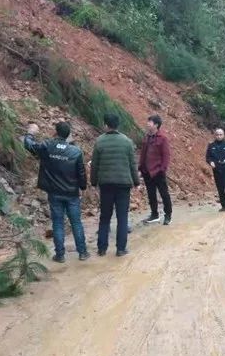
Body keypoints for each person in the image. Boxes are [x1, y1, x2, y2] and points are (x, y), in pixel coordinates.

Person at [22, 121, 88, 263]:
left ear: (55, 132)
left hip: (55, 193)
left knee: (58, 223)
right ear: (68, 135)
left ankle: (60, 255)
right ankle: (82, 252)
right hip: (72, 194)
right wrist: (83, 188)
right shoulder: (75, 151)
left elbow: (29, 145)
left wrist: (30, 132)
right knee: (76, 223)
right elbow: (81, 173)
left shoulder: (47, 147)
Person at [90, 113, 141, 257]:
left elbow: (95, 165)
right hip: (123, 184)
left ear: (106, 125)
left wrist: (93, 182)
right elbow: (132, 164)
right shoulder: (127, 142)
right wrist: (136, 181)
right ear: (117, 125)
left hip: (106, 184)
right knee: (122, 217)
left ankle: (101, 248)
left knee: (105, 216)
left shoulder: (99, 141)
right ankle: (120, 249)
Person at [139, 115, 172, 225]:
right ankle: (154, 214)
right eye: (148, 121)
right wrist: (141, 168)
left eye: (150, 122)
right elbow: (143, 154)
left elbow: (166, 156)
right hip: (147, 172)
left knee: (164, 194)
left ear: (156, 125)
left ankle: (168, 215)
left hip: (158, 171)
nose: (148, 123)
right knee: (151, 194)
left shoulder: (163, 138)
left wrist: (162, 169)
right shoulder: (147, 137)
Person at [205, 128, 225, 212]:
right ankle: (224, 206)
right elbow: (208, 157)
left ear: (223, 135)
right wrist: (210, 162)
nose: (219, 136)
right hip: (216, 169)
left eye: (220, 134)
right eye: (217, 135)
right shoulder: (211, 145)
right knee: (220, 188)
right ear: (215, 135)